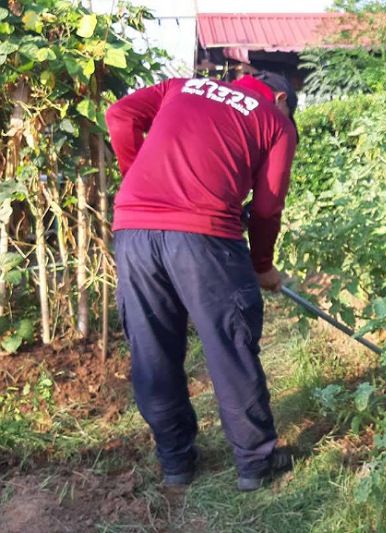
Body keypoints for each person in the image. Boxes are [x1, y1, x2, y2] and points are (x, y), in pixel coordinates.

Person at [106, 71, 298, 491]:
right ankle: (256, 464)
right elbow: (267, 208)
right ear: (281, 98)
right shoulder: (275, 121)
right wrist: (262, 265)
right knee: (230, 345)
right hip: (206, 235)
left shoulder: (180, 86)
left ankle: (176, 463)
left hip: (133, 231)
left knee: (152, 349)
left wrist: (136, 176)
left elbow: (119, 115)